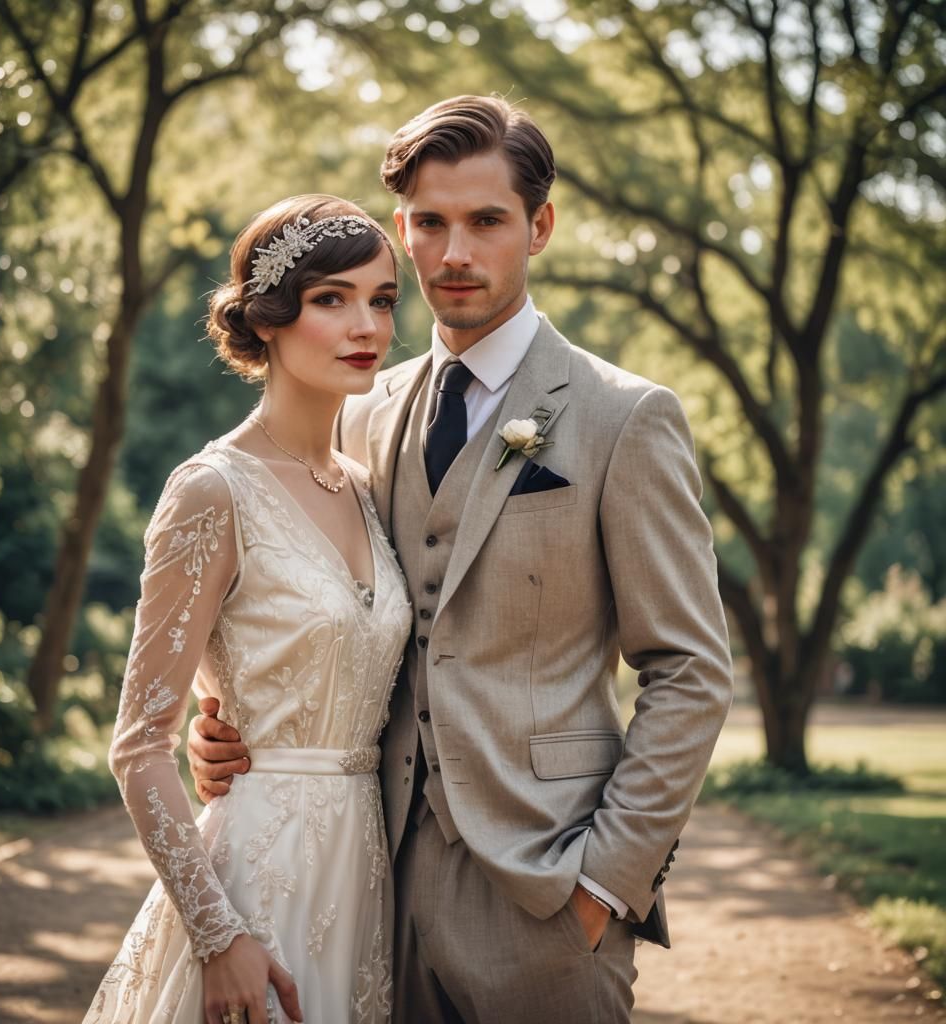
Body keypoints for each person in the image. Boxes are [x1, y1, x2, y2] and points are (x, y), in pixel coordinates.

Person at [190, 96, 734, 1023]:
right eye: (430, 224)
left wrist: (606, 886)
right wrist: (226, 726)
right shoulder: (358, 409)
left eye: (486, 222)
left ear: (540, 226)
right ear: (402, 230)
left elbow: (689, 670)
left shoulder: (624, 417)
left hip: (548, 895)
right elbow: (309, 603)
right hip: (367, 885)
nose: (454, 254)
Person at [84, 194, 413, 1024]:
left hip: (365, 868)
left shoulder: (368, 487)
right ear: (268, 318)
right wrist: (217, 934)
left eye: (380, 299)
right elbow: (137, 747)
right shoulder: (211, 489)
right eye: (331, 299)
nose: (365, 325)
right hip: (254, 883)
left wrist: (219, 704)